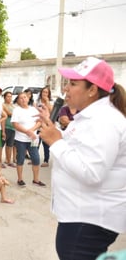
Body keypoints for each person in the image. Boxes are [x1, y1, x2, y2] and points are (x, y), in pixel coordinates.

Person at [38, 57, 126, 260]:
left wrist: (55, 142)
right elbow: (78, 149)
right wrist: (56, 132)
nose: (66, 88)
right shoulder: (91, 116)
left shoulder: (104, 121)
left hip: (90, 218)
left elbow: (91, 172)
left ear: (92, 90)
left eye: (73, 83)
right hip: (82, 213)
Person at [11, 92, 45, 187]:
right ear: (18, 100)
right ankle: (20, 179)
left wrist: (31, 131)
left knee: (36, 159)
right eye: (21, 98)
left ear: (28, 98)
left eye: (25, 97)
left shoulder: (33, 109)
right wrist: (27, 132)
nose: (23, 99)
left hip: (32, 139)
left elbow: (39, 121)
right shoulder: (16, 110)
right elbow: (15, 124)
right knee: (20, 159)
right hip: (21, 139)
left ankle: (36, 179)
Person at [35, 86, 53, 167]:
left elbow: (51, 111)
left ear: (49, 94)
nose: (45, 94)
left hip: (46, 125)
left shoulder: (51, 102)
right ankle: (35, 159)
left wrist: (47, 101)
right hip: (37, 124)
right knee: (36, 143)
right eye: (43, 92)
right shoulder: (37, 101)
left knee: (45, 143)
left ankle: (46, 160)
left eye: (46, 92)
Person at [2, 91, 17, 167]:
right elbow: (9, 114)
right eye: (8, 96)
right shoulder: (3, 105)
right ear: (4, 97)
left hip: (13, 128)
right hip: (6, 127)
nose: (9, 98)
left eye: (11, 96)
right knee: (2, 145)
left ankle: (9, 160)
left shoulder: (13, 106)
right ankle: (1, 161)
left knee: (10, 145)